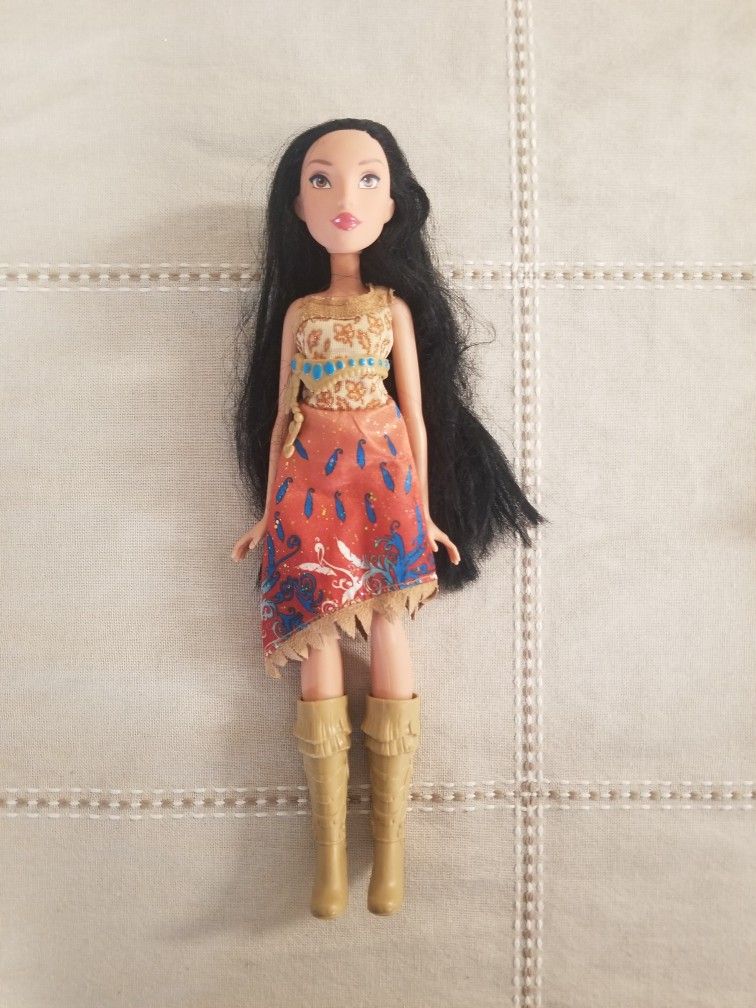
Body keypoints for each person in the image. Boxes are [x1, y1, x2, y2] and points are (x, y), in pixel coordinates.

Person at [231, 119, 546, 918]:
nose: (345, 197)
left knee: (388, 626)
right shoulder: (299, 312)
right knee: (318, 632)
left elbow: (418, 415)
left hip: (382, 473)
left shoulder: (394, 309)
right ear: (296, 206)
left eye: (368, 179)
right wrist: (268, 513)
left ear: (395, 204)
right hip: (310, 479)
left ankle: (391, 855)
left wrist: (428, 511)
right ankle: (330, 858)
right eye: (322, 179)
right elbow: (280, 415)